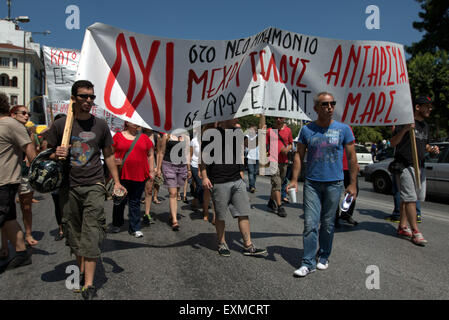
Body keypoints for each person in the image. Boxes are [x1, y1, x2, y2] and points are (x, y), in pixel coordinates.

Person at [45, 80, 126, 300]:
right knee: (74, 234)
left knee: (91, 232)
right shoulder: (61, 126)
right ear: (73, 98)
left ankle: (88, 284)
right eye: (83, 96)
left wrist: (116, 182)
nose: (88, 101)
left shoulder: (100, 125)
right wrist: (55, 154)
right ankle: (81, 270)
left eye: (91, 97)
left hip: (94, 185)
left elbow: (108, 155)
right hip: (67, 187)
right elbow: (45, 154)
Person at [288, 92, 357, 277]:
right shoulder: (306, 130)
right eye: (325, 104)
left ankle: (324, 255)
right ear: (316, 108)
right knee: (310, 223)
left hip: (334, 184)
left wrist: (353, 184)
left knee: (327, 224)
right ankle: (307, 262)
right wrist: (294, 180)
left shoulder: (344, 129)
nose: (329, 107)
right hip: (312, 184)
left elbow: (351, 158)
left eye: (332, 104)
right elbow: (298, 156)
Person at [200, 119, 266, 257]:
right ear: (224, 117)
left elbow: (250, 145)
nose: (237, 118)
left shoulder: (237, 132)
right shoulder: (211, 134)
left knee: (243, 212)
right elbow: (204, 158)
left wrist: (261, 129)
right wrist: (205, 177)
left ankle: (248, 245)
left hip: (237, 180)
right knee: (220, 215)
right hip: (218, 181)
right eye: (233, 115)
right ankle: (222, 243)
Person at [390, 96, 439, 246]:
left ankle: (402, 226)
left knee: (411, 198)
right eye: (427, 106)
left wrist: (432, 150)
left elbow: (425, 145)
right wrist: (405, 129)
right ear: (417, 107)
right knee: (410, 198)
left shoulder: (425, 126)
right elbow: (393, 143)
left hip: (419, 166)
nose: (430, 109)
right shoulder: (404, 123)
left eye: (431, 107)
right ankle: (415, 232)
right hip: (404, 165)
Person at [0, 92, 36, 270]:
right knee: (8, 218)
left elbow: (29, 148)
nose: (26, 115)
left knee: (6, 217)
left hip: (4, 181)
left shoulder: (11, 124)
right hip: (4, 181)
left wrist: (37, 173)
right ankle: (21, 253)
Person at [109, 122, 154, 237]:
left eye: (136, 121)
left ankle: (135, 228)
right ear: (126, 123)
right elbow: (110, 154)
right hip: (122, 175)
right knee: (120, 201)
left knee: (135, 201)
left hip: (139, 175)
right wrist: (115, 162)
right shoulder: (118, 136)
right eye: (131, 121)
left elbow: (150, 154)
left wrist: (152, 171)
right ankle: (117, 224)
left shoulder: (144, 137)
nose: (135, 123)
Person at [3, 105, 39, 247]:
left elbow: (33, 149)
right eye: (23, 113)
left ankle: (28, 234)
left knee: (26, 206)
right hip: (8, 173)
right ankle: (5, 244)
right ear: (13, 114)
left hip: (24, 172)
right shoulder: (7, 127)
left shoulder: (27, 131)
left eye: (28, 114)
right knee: (6, 210)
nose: (26, 116)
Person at [157, 131, 190, 231]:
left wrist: (188, 169)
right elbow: (161, 152)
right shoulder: (166, 135)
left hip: (182, 166)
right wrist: (158, 168)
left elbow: (187, 153)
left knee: (177, 192)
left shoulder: (186, 136)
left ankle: (172, 213)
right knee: (173, 193)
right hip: (168, 165)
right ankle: (175, 221)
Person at [267, 117, 293, 217]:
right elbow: (263, 144)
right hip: (272, 160)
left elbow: (291, 143)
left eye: (280, 118)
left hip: (284, 161)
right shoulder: (269, 131)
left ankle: (271, 201)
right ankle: (280, 206)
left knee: (278, 183)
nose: (278, 119)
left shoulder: (288, 130)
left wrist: (287, 149)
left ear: (284, 118)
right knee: (277, 183)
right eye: (276, 117)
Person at [245, 125, 259, 193]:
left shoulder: (258, 137)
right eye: (249, 130)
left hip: (257, 157)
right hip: (250, 157)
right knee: (251, 172)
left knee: (255, 173)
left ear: (256, 131)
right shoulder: (247, 137)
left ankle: (252, 185)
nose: (250, 131)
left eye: (252, 130)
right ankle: (252, 186)